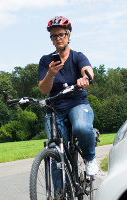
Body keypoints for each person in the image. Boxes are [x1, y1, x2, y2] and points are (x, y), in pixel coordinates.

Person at [38, 16, 98, 176]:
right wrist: (50, 74)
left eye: (61, 34)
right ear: (51, 39)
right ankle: (59, 194)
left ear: (68, 35)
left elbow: (87, 69)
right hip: (55, 108)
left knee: (81, 128)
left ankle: (90, 159)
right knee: (55, 152)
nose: (58, 38)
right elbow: (43, 90)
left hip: (77, 103)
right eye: (54, 36)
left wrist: (85, 78)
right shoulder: (45, 61)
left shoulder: (77, 56)